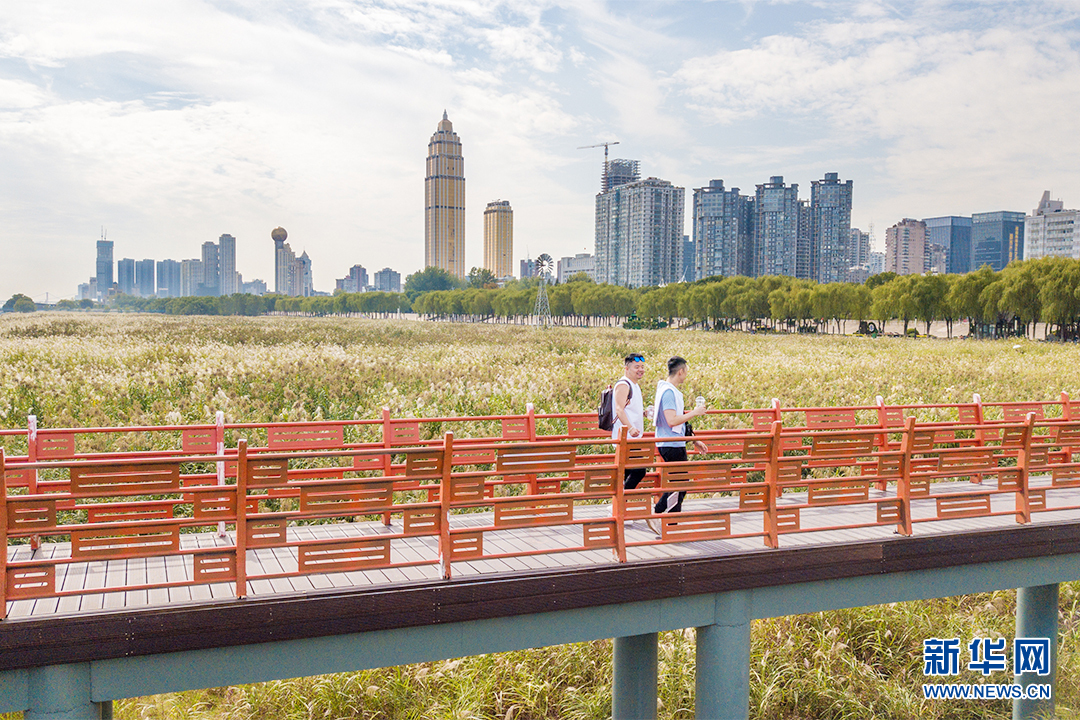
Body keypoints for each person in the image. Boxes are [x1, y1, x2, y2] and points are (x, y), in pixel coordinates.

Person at [649, 356, 708, 535]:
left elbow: (678, 422)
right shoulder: (668, 392)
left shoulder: (667, 390)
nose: (686, 376)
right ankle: (660, 515)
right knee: (679, 484)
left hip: (673, 442)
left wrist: (693, 439)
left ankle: (669, 523)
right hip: (671, 444)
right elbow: (672, 420)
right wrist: (695, 413)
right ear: (680, 371)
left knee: (678, 483)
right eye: (686, 372)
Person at [612, 353, 647, 490]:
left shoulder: (634, 385)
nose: (641, 370)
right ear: (626, 368)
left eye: (642, 367)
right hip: (625, 437)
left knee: (627, 473)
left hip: (633, 437)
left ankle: (619, 504)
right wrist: (631, 427)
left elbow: (628, 409)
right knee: (639, 470)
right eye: (636, 367)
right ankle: (620, 502)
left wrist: (643, 413)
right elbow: (619, 410)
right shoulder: (623, 384)